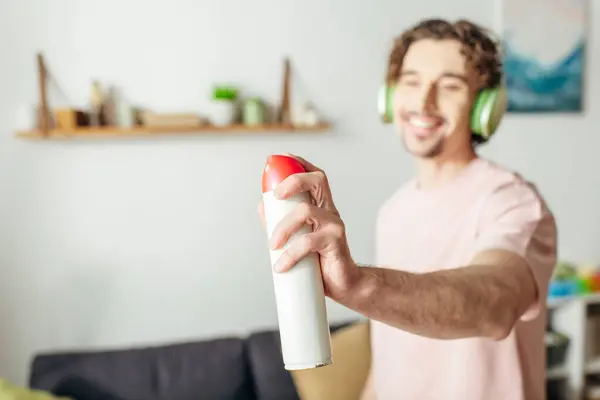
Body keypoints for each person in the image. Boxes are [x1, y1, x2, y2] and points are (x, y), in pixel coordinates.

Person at [258, 18, 557, 400]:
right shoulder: (394, 210)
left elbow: (495, 302)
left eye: (450, 85)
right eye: (412, 81)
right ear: (390, 95)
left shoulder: (512, 201)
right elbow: (393, 355)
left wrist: (360, 284)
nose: (423, 101)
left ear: (485, 106)